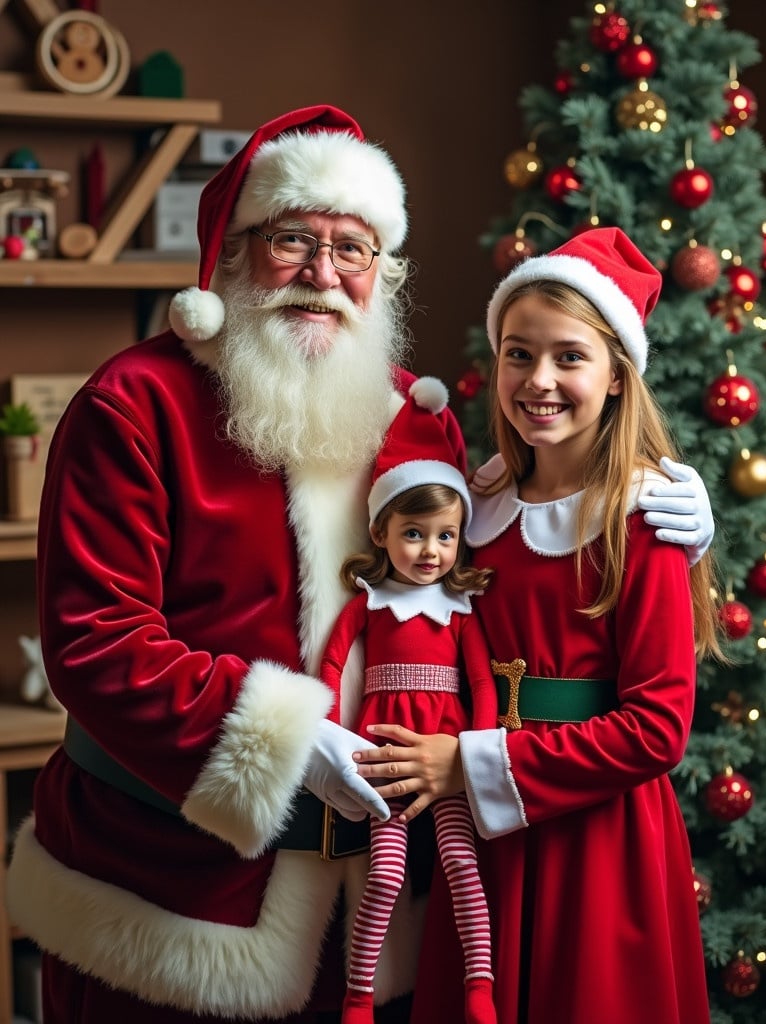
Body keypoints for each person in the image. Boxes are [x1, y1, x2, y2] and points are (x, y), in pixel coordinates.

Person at [3, 98, 714, 1024]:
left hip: (379, 907)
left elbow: (509, 552)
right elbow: (96, 645)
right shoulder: (135, 406)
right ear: (232, 248)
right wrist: (291, 740)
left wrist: (681, 518)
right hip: (173, 897)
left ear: (384, 271)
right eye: (293, 239)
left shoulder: (410, 416)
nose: (323, 274)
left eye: (354, 249)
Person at [352, 227, 723, 1024]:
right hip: (479, 845)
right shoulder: (469, 507)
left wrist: (469, 764)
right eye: (518, 354)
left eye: (569, 357)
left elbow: (658, 728)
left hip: (599, 835)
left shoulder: (643, 518)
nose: (539, 380)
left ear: (619, 377)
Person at [319, 377, 498, 1024]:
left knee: (460, 866)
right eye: (416, 534)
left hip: (449, 758)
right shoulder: (369, 602)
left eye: (446, 537)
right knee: (387, 876)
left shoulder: (461, 610)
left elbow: (481, 684)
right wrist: (333, 729)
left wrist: (474, 753)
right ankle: (359, 993)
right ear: (382, 530)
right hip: (384, 754)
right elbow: (334, 662)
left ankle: (481, 987)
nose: (431, 552)